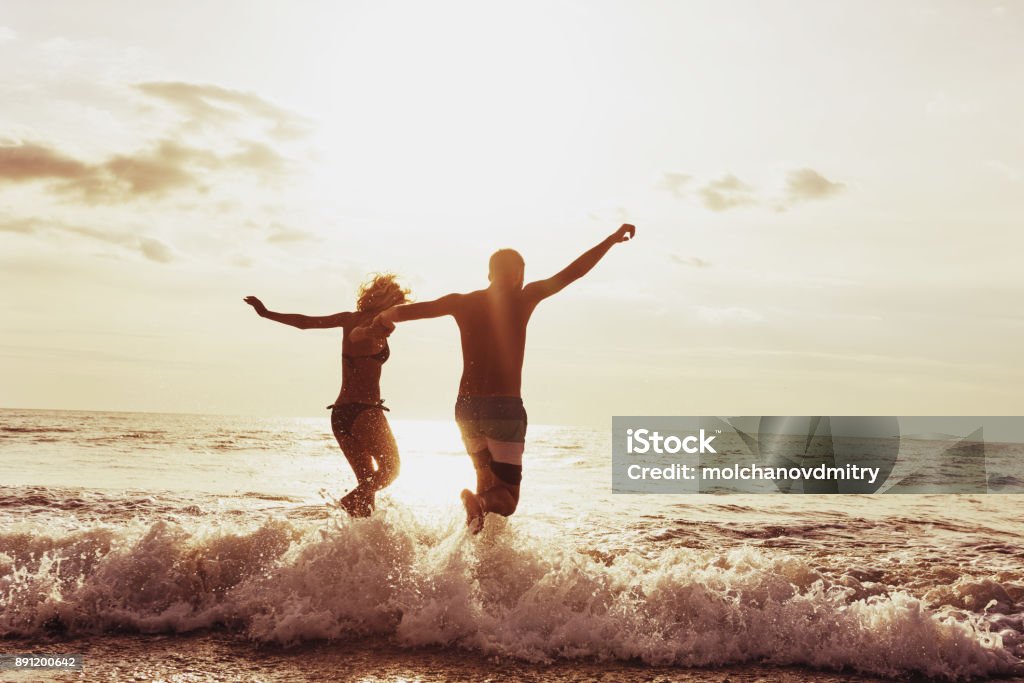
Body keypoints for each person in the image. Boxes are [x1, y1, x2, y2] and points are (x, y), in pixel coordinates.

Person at [367, 224, 636, 533]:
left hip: (466, 409)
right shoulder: (524, 298)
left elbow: (412, 311)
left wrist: (382, 318)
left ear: (489, 274)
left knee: (485, 481)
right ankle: (480, 506)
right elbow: (574, 272)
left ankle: (478, 554)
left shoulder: (462, 301)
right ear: (519, 274)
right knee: (507, 499)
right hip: (503, 409)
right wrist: (611, 240)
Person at [243, 274, 410, 516]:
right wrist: (373, 331)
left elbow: (304, 322)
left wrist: (266, 313)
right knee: (391, 470)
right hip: (365, 412)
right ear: (391, 302)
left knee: (367, 495)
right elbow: (361, 334)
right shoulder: (377, 326)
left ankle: (355, 549)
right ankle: (347, 501)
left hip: (341, 415)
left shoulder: (347, 319)